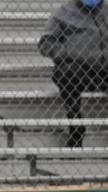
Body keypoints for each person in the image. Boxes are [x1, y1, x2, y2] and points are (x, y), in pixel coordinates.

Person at [38, 0, 108, 147]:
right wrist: (71, 52)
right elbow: (45, 44)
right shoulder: (62, 12)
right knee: (66, 72)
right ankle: (76, 128)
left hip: (105, 70)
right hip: (79, 71)